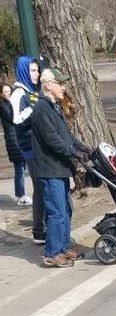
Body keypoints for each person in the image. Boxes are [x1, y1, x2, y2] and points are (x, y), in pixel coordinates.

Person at [31, 68, 89, 268]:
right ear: (48, 85)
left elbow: (65, 134)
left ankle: (63, 247)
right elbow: (52, 140)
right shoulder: (41, 109)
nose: (64, 87)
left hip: (60, 168)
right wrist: (73, 153)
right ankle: (52, 253)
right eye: (60, 83)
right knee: (57, 212)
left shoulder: (53, 106)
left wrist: (81, 146)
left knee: (65, 210)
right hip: (50, 169)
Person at [10, 56, 43, 242]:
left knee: (43, 187)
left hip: (39, 146)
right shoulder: (18, 93)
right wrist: (34, 107)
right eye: (32, 70)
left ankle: (42, 226)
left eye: (37, 70)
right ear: (23, 71)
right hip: (30, 148)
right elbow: (17, 119)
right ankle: (39, 230)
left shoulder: (32, 91)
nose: (36, 74)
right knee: (40, 187)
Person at [1, 84, 30, 206]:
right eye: (5, 91)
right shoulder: (3, 105)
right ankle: (20, 196)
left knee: (21, 168)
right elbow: (12, 118)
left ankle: (21, 195)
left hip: (17, 139)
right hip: (13, 141)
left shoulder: (10, 103)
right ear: (2, 93)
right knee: (20, 169)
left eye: (9, 91)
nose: (8, 93)